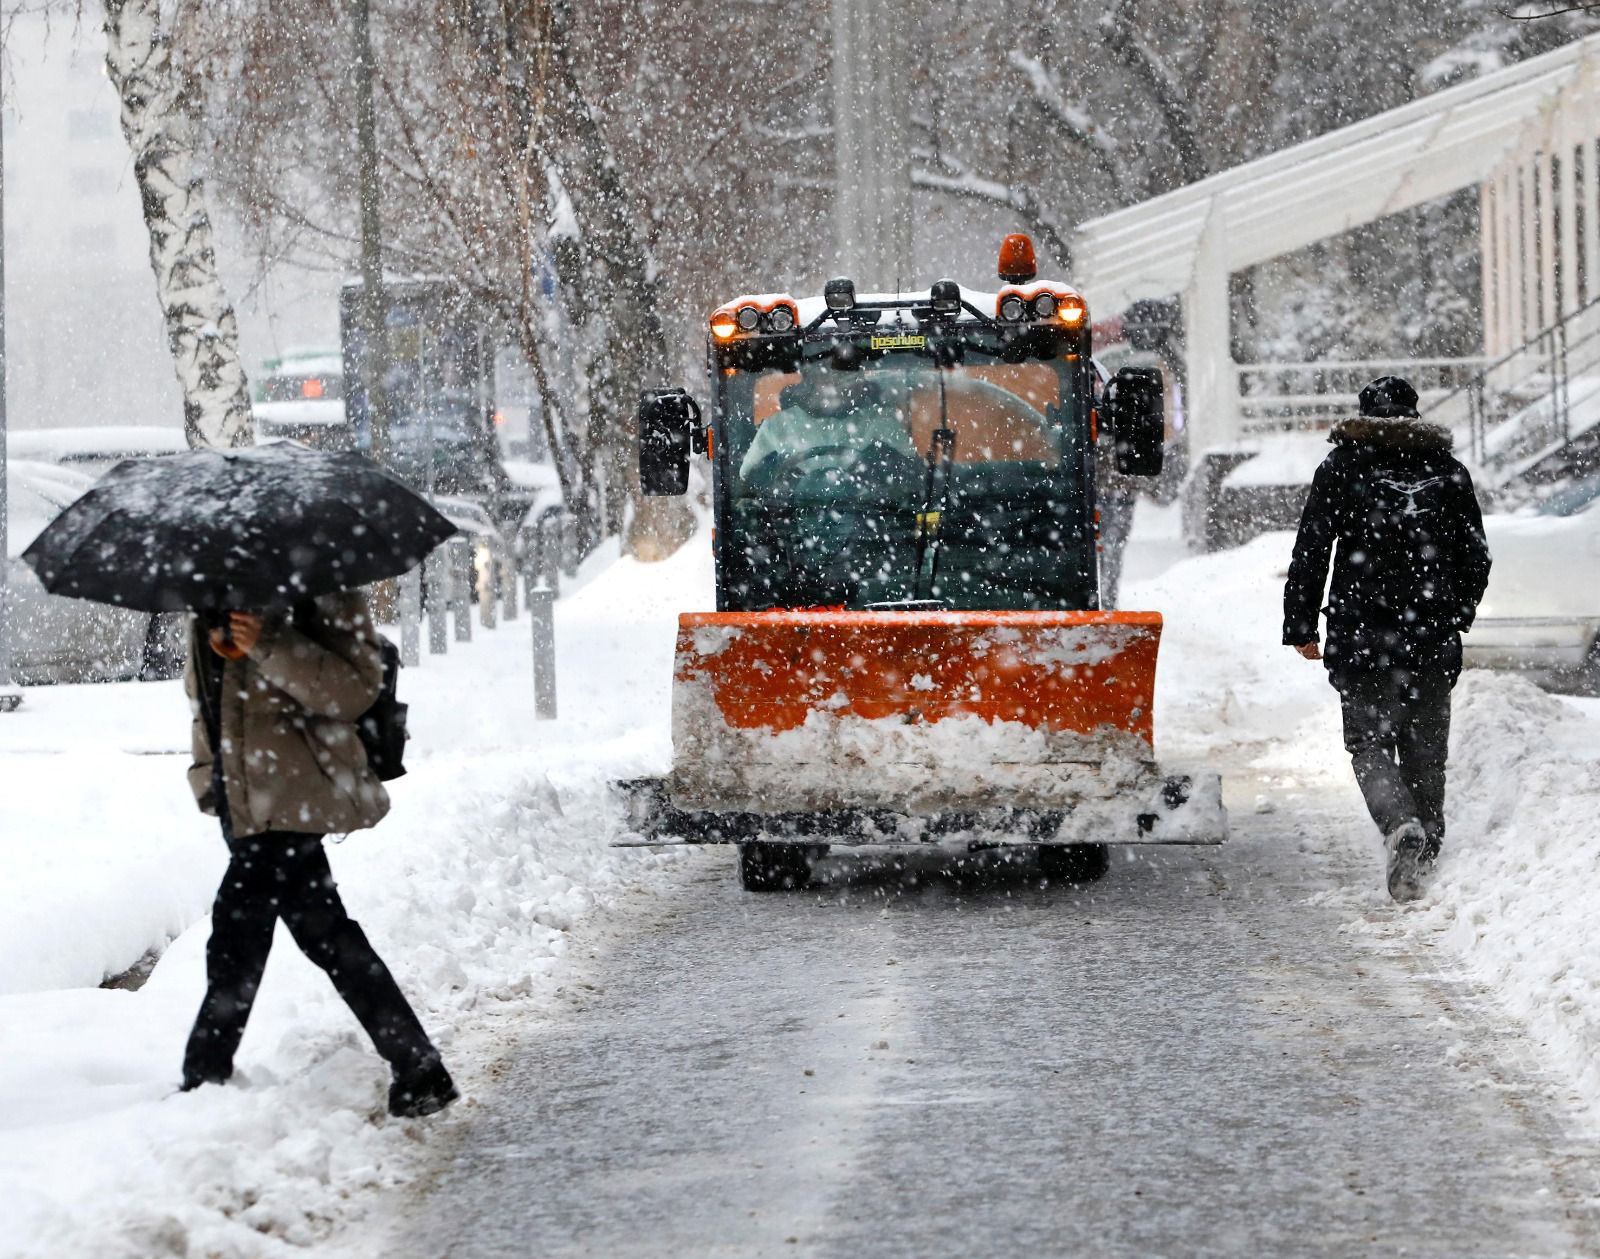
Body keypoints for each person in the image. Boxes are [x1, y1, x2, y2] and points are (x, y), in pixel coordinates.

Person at [181, 591, 457, 1118]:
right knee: (323, 932)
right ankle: (418, 1065)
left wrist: (268, 644)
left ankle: (204, 1074)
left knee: (237, 931)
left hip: (294, 791)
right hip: (241, 798)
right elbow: (205, 705)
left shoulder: (318, 582)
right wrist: (208, 778)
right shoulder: (206, 587)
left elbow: (352, 690)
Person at [1283, 376, 1491, 901]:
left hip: (1361, 636)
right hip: (1430, 636)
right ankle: (1427, 848)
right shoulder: (1447, 472)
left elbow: (1312, 550)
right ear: (1414, 415)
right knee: (1425, 749)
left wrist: (1301, 626)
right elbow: (1476, 557)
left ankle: (1401, 827)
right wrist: (1455, 614)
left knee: (1369, 744)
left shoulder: (1340, 469)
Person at [738, 370, 917, 487]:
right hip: (792, 529)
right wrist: (783, 482)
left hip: (871, 526)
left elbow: (909, 482)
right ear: (810, 379)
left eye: (847, 376)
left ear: (862, 380)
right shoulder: (779, 424)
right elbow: (749, 484)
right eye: (829, 374)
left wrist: (873, 478)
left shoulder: (881, 420)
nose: (838, 383)